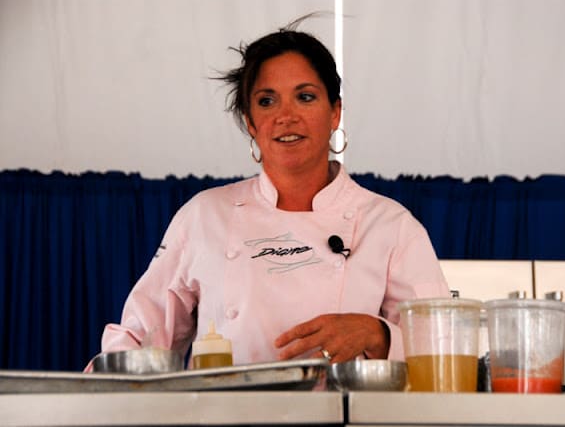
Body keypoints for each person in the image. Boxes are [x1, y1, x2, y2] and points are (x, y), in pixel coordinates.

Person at [99, 20, 449, 366]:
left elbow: (446, 350)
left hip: (340, 418)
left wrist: (379, 335)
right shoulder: (204, 215)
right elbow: (139, 337)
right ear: (250, 122)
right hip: (223, 418)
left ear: (335, 113)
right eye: (267, 101)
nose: (286, 116)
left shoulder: (391, 226)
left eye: (305, 97)